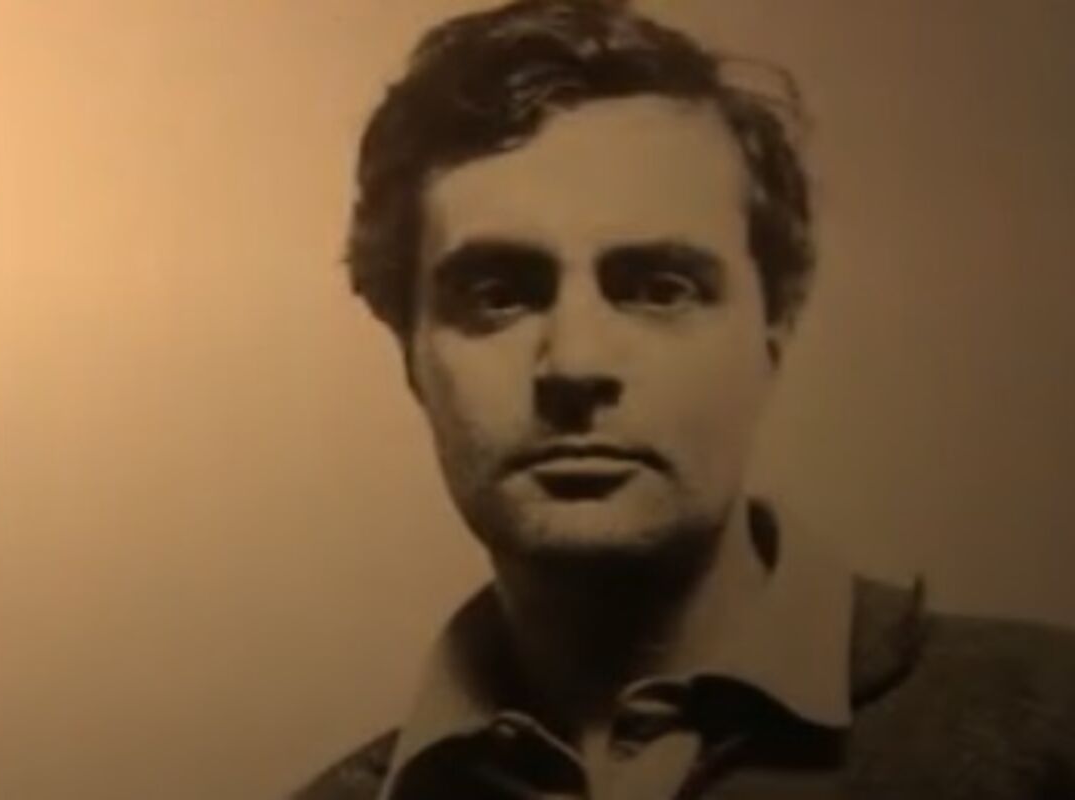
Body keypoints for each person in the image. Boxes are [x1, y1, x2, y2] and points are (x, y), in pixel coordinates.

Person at [295, 1, 1075, 797]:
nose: (576, 362)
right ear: (409, 351)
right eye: (498, 296)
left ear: (773, 327)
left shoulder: (1050, 730)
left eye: (659, 288)